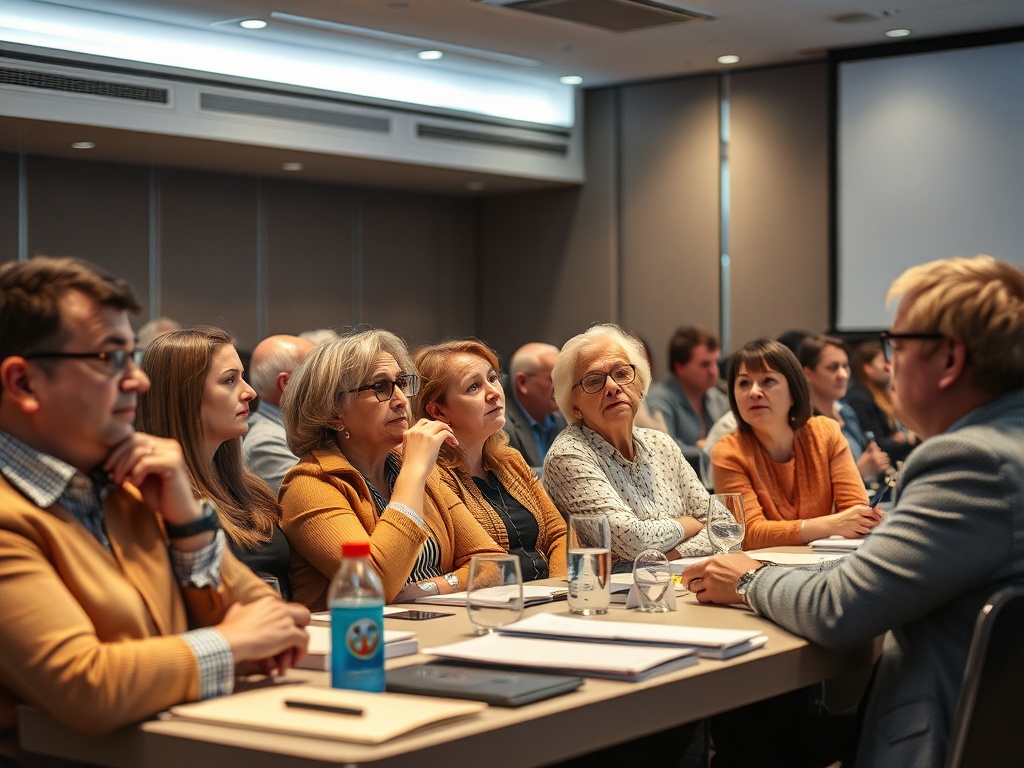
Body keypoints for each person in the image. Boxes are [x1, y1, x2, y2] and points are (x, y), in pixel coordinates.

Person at [684, 254, 1024, 768]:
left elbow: (839, 608)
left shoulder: (969, 461)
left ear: (950, 361)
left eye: (898, 347)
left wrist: (751, 579)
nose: (887, 366)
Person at [0, 257, 308, 760]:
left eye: (132, 357)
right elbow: (87, 687)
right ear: (23, 383)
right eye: (108, 358)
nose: (137, 381)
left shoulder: (133, 484)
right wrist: (229, 645)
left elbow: (272, 622)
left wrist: (188, 523)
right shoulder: (11, 515)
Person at [277, 329, 504, 610]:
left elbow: (492, 562)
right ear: (334, 413)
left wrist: (427, 588)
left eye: (401, 383)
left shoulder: (408, 466)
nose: (401, 400)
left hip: (436, 624)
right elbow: (375, 583)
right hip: (361, 642)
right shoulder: (310, 484)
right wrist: (414, 473)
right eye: (380, 388)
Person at [542, 323, 723, 571]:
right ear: (574, 407)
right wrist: (690, 524)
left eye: (622, 374)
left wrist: (675, 553)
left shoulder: (661, 443)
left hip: (683, 584)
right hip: (613, 599)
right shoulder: (569, 455)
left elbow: (723, 526)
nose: (613, 387)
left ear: (640, 386)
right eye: (594, 381)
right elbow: (633, 540)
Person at [137, 326, 294, 599]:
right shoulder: (159, 499)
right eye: (229, 380)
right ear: (186, 396)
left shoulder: (250, 488)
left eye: (242, 377)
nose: (250, 393)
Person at [413, 340, 567, 580]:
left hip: (544, 599)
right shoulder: (434, 474)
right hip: (490, 605)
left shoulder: (509, 460)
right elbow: (488, 561)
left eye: (493, 378)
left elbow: (559, 535)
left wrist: (556, 590)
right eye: (474, 387)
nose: (494, 392)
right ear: (439, 412)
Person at [710, 338, 876, 550]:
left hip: (824, 563)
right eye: (744, 383)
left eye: (768, 381)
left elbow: (856, 511)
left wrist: (863, 519)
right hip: (762, 570)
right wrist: (830, 524)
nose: (754, 391)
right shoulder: (728, 451)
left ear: (793, 392)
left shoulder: (825, 432)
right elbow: (747, 533)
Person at [797, 334, 891, 484]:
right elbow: (810, 487)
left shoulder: (846, 411)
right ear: (808, 373)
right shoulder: (803, 423)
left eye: (845, 366)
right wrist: (858, 471)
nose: (842, 375)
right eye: (832, 368)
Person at [646, 325, 731, 473]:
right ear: (680, 367)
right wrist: (711, 449)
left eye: (715, 363)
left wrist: (705, 447)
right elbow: (665, 451)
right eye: (705, 364)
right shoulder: (657, 400)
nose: (714, 371)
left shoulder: (718, 396)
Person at [243, 334, 317, 494]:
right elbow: (318, 500)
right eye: (317, 372)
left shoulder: (297, 429)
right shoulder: (266, 443)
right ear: (286, 383)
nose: (327, 381)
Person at [846, 339, 919, 463]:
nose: (888, 366)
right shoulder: (859, 398)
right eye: (883, 361)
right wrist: (911, 440)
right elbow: (877, 444)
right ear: (867, 368)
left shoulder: (882, 394)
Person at [503, 342, 567, 469]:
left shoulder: (563, 421)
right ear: (522, 383)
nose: (563, 386)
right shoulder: (502, 430)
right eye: (553, 378)